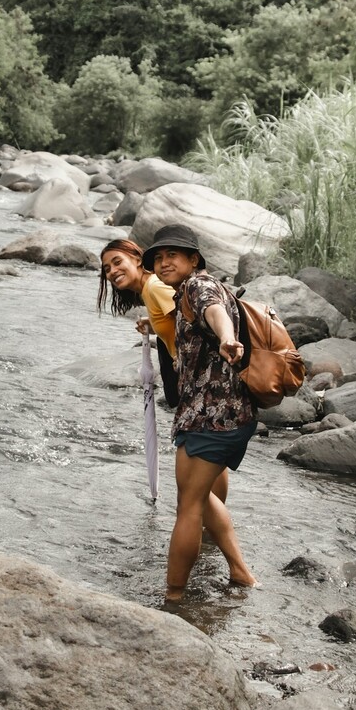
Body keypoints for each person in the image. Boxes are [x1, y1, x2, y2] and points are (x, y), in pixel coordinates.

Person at [140, 223, 258, 602]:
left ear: (194, 259)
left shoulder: (199, 286)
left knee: (188, 506)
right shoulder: (184, 294)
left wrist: (227, 337)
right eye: (158, 257)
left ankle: (173, 598)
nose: (163, 262)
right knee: (200, 497)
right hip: (206, 413)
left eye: (172, 255)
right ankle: (240, 573)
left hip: (216, 415)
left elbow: (214, 312)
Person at [98, 237, 178, 403]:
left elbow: (193, 317)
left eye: (118, 262)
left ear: (137, 259)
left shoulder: (155, 286)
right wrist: (154, 324)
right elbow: (176, 320)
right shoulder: (148, 289)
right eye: (107, 268)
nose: (112, 271)